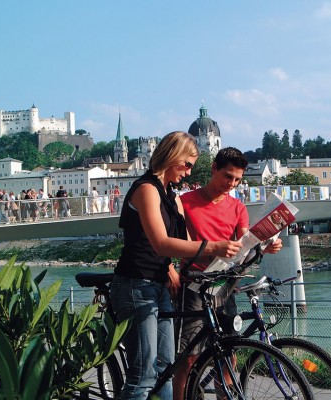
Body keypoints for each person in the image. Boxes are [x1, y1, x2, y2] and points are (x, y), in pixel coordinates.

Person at [110, 131, 242, 400]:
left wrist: (218, 262)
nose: (190, 172)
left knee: (164, 369)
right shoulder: (146, 189)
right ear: (173, 157)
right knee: (142, 375)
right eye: (188, 164)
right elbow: (161, 243)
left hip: (159, 283)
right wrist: (213, 245)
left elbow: (185, 243)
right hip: (136, 283)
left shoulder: (171, 196)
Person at [173, 147, 283, 400]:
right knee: (188, 357)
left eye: (237, 180)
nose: (231, 184)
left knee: (229, 350)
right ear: (214, 168)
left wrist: (266, 245)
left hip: (224, 285)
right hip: (193, 285)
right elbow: (173, 242)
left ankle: (225, 396)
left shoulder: (237, 207)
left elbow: (245, 241)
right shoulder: (185, 202)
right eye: (227, 176)